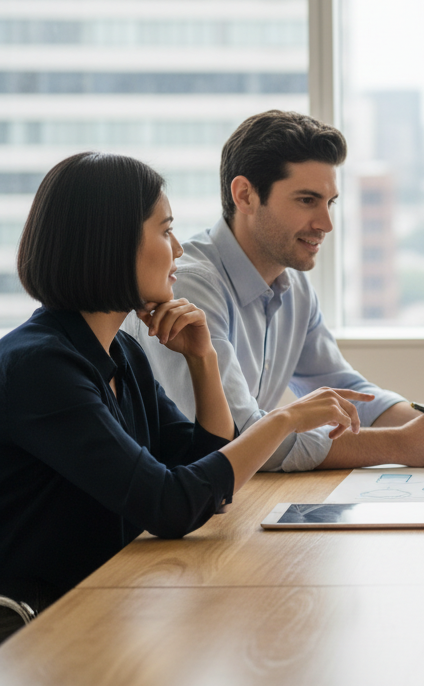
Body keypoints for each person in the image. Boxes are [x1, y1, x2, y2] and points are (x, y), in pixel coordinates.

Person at [0, 153, 369, 641]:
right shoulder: (41, 366)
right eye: (164, 230)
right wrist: (283, 421)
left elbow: (206, 470)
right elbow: (170, 505)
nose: (177, 249)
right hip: (39, 625)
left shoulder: (121, 350)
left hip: (105, 603)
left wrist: (204, 360)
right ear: (111, 244)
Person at [122, 111, 424, 473]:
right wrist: (399, 445)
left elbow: (349, 390)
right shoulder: (189, 285)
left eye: (330, 203)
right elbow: (243, 438)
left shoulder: (293, 285)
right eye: (307, 200)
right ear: (245, 195)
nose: (325, 223)